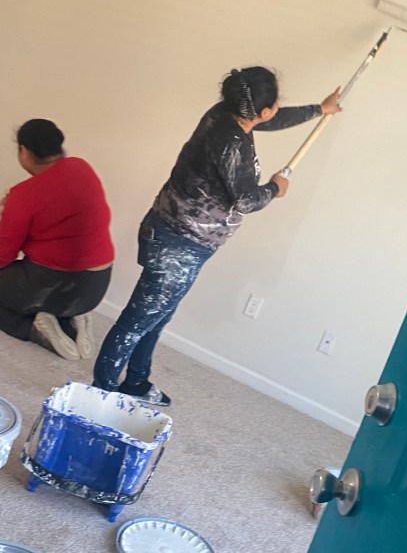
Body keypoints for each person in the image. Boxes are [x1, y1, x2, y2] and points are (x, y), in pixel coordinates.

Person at [92, 66, 342, 406]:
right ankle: (99, 396)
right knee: (138, 321)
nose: (274, 112)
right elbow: (246, 200)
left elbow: (272, 119)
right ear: (262, 110)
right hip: (177, 245)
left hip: (177, 236)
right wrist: (275, 188)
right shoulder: (232, 143)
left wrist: (319, 109)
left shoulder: (223, 114)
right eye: (273, 107)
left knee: (158, 315)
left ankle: (136, 382)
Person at [0, 119, 114, 360]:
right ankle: (71, 320)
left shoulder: (24, 195)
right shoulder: (82, 167)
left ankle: (32, 328)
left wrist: (10, 211)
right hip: (95, 288)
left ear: (24, 151)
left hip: (52, 287)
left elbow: (3, 255)